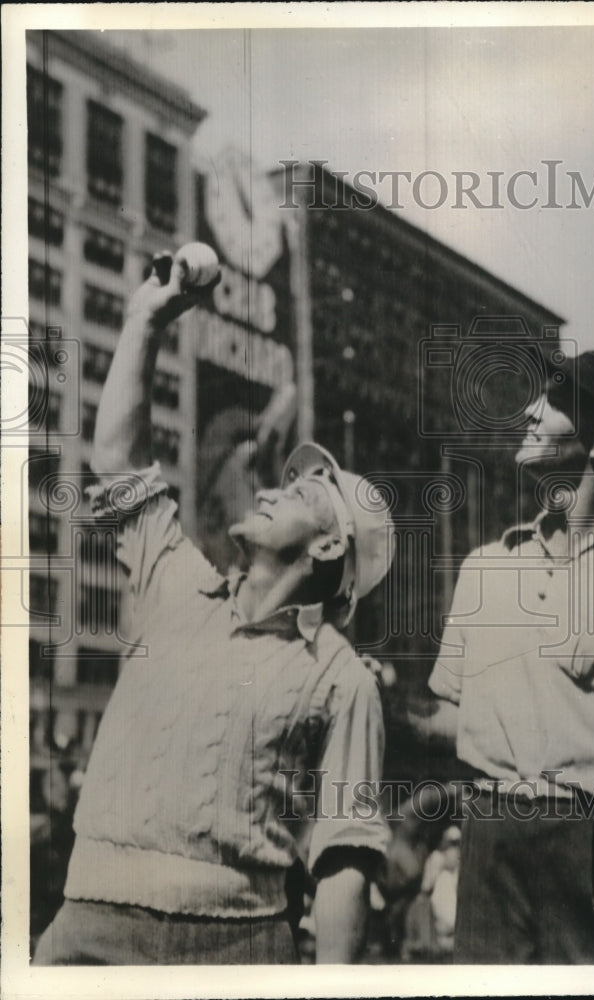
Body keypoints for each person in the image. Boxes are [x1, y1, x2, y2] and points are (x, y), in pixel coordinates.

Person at [33, 253, 394, 966]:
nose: (264, 491)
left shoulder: (341, 679)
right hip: (89, 931)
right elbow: (118, 462)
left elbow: (345, 855)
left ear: (328, 548)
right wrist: (146, 316)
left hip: (241, 946)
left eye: (296, 493)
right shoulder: (176, 583)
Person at [425, 349, 594, 964]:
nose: (529, 410)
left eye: (555, 400)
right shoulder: (484, 568)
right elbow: (448, 723)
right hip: (492, 842)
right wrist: (386, 702)